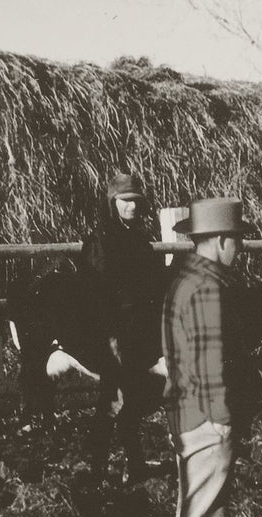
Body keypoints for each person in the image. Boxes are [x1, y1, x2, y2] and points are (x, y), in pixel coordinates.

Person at [162, 197, 252, 517]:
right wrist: (223, 422)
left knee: (198, 512)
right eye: (237, 240)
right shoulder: (207, 289)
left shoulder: (184, 279)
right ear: (220, 240)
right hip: (206, 419)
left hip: (185, 412)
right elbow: (209, 366)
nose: (241, 248)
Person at [80, 172, 165, 484]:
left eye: (135, 201)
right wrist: (110, 339)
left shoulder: (140, 240)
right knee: (112, 399)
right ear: (112, 202)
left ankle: (133, 462)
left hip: (138, 332)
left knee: (131, 399)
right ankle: (98, 467)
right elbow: (95, 294)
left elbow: (151, 287)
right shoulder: (100, 241)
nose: (131, 207)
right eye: (125, 201)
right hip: (113, 335)